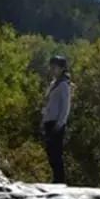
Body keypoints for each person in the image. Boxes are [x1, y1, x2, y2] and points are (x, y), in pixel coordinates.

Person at [41, 55, 72, 183]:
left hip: (56, 123)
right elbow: (48, 104)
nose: (52, 70)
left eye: (55, 67)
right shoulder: (54, 84)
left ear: (62, 69)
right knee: (50, 152)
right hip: (49, 122)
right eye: (51, 67)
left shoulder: (64, 85)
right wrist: (43, 121)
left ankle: (60, 181)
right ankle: (56, 179)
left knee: (56, 153)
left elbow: (65, 106)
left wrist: (60, 124)